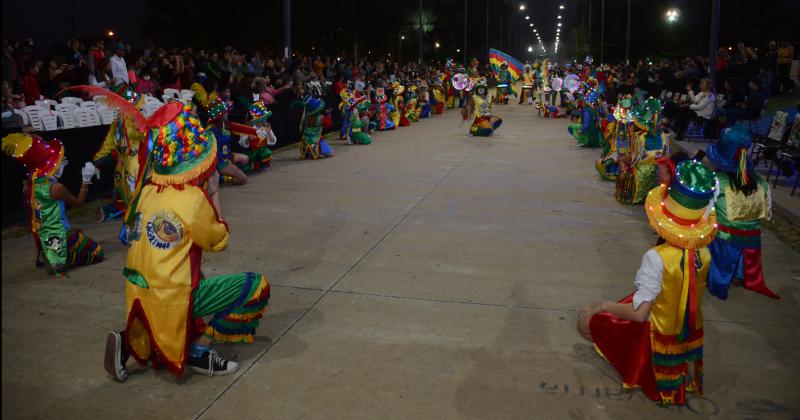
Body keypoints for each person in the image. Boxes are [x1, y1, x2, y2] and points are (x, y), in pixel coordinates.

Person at [104, 103, 271, 382]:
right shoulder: (191, 200)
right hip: (172, 294)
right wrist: (215, 191)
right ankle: (200, 351)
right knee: (256, 286)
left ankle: (128, 339)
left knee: (189, 273)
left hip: (139, 294)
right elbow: (219, 240)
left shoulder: (146, 192)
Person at [578, 160, 718, 406]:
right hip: (682, 334)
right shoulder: (704, 253)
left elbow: (641, 314)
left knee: (586, 322)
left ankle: (638, 367)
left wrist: (602, 306)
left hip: (655, 337)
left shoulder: (657, 257)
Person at [2, 133, 104, 276]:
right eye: (58, 161)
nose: (61, 162)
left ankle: (54, 257)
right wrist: (86, 178)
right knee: (98, 252)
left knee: (78, 234)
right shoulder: (56, 189)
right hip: (62, 234)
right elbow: (79, 203)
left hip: (45, 237)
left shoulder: (28, 187)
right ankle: (67, 258)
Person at [705, 124, 780, 300]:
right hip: (752, 239)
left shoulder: (717, 181)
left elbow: (705, 213)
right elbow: (766, 213)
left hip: (725, 239)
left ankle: (718, 273)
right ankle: (740, 273)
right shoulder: (761, 182)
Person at [205, 97, 265, 185]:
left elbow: (240, 128)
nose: (228, 113)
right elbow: (213, 151)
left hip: (227, 155)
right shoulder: (211, 130)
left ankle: (228, 173)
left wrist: (255, 132)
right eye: (226, 112)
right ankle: (221, 178)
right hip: (219, 161)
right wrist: (224, 163)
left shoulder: (225, 124)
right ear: (220, 115)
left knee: (246, 159)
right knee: (243, 179)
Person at [237, 101, 276, 173]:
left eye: (265, 117)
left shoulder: (266, 127)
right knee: (246, 168)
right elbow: (242, 144)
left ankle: (263, 164)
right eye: (263, 118)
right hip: (252, 152)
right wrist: (248, 139)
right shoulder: (248, 128)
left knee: (265, 151)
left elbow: (273, 141)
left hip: (263, 153)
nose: (265, 120)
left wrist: (269, 133)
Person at [292, 95, 333, 159]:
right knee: (329, 152)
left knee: (310, 140)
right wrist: (328, 115)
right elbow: (329, 124)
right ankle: (317, 152)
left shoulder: (306, 118)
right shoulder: (321, 118)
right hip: (316, 138)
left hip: (306, 139)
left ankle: (308, 152)